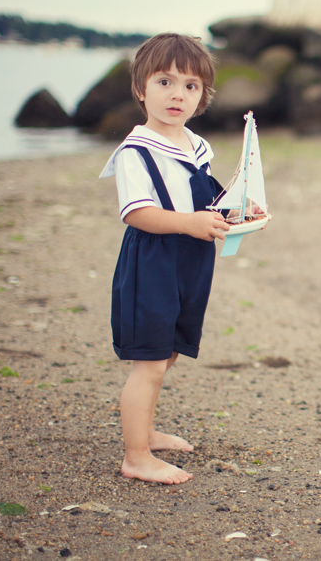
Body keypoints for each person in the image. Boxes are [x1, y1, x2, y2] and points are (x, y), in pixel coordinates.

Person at [98, 33, 228, 484]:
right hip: (152, 260)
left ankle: (146, 430)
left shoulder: (194, 144)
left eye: (191, 86)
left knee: (169, 350)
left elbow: (206, 195)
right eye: (165, 81)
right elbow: (136, 212)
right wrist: (189, 223)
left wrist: (238, 208)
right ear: (141, 88)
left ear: (202, 97)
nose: (178, 94)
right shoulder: (137, 150)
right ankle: (136, 456)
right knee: (149, 360)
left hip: (190, 260)